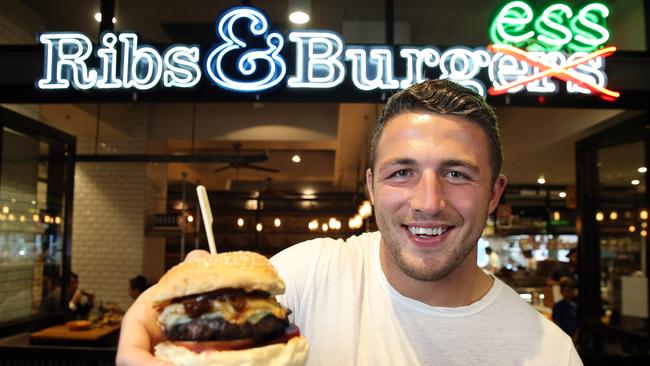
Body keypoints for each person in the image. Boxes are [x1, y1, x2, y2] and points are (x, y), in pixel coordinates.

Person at [116, 79, 581, 365]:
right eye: (402, 172)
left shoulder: (549, 353)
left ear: (495, 193)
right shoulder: (303, 277)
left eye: (456, 174)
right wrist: (151, 321)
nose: (428, 201)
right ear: (372, 187)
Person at [552, 279, 579, 344]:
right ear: (561, 292)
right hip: (562, 339)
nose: (569, 293)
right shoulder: (557, 306)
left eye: (571, 290)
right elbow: (556, 323)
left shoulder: (577, 306)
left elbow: (579, 324)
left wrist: (575, 339)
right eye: (566, 290)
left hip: (576, 339)